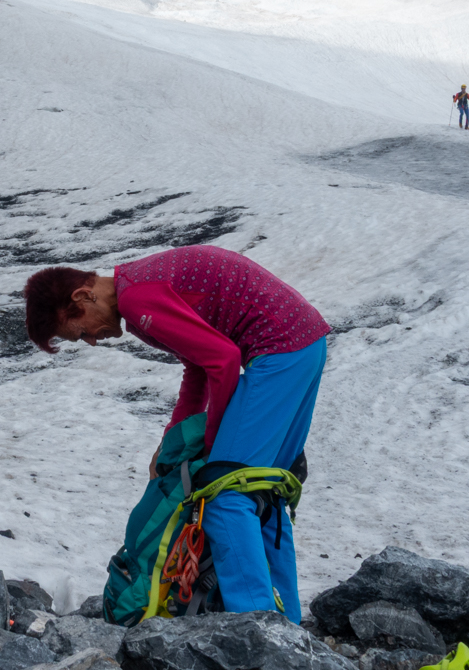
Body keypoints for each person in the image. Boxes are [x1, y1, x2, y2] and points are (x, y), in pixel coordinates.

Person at [24, 245, 329, 621]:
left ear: (82, 297)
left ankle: (258, 626)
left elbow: (224, 360)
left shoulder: (137, 299)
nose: (89, 340)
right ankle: (288, 624)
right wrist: (170, 442)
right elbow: (198, 366)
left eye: (79, 331)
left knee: (224, 497)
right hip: (304, 343)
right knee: (264, 492)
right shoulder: (137, 288)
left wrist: (214, 447)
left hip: (277, 351)